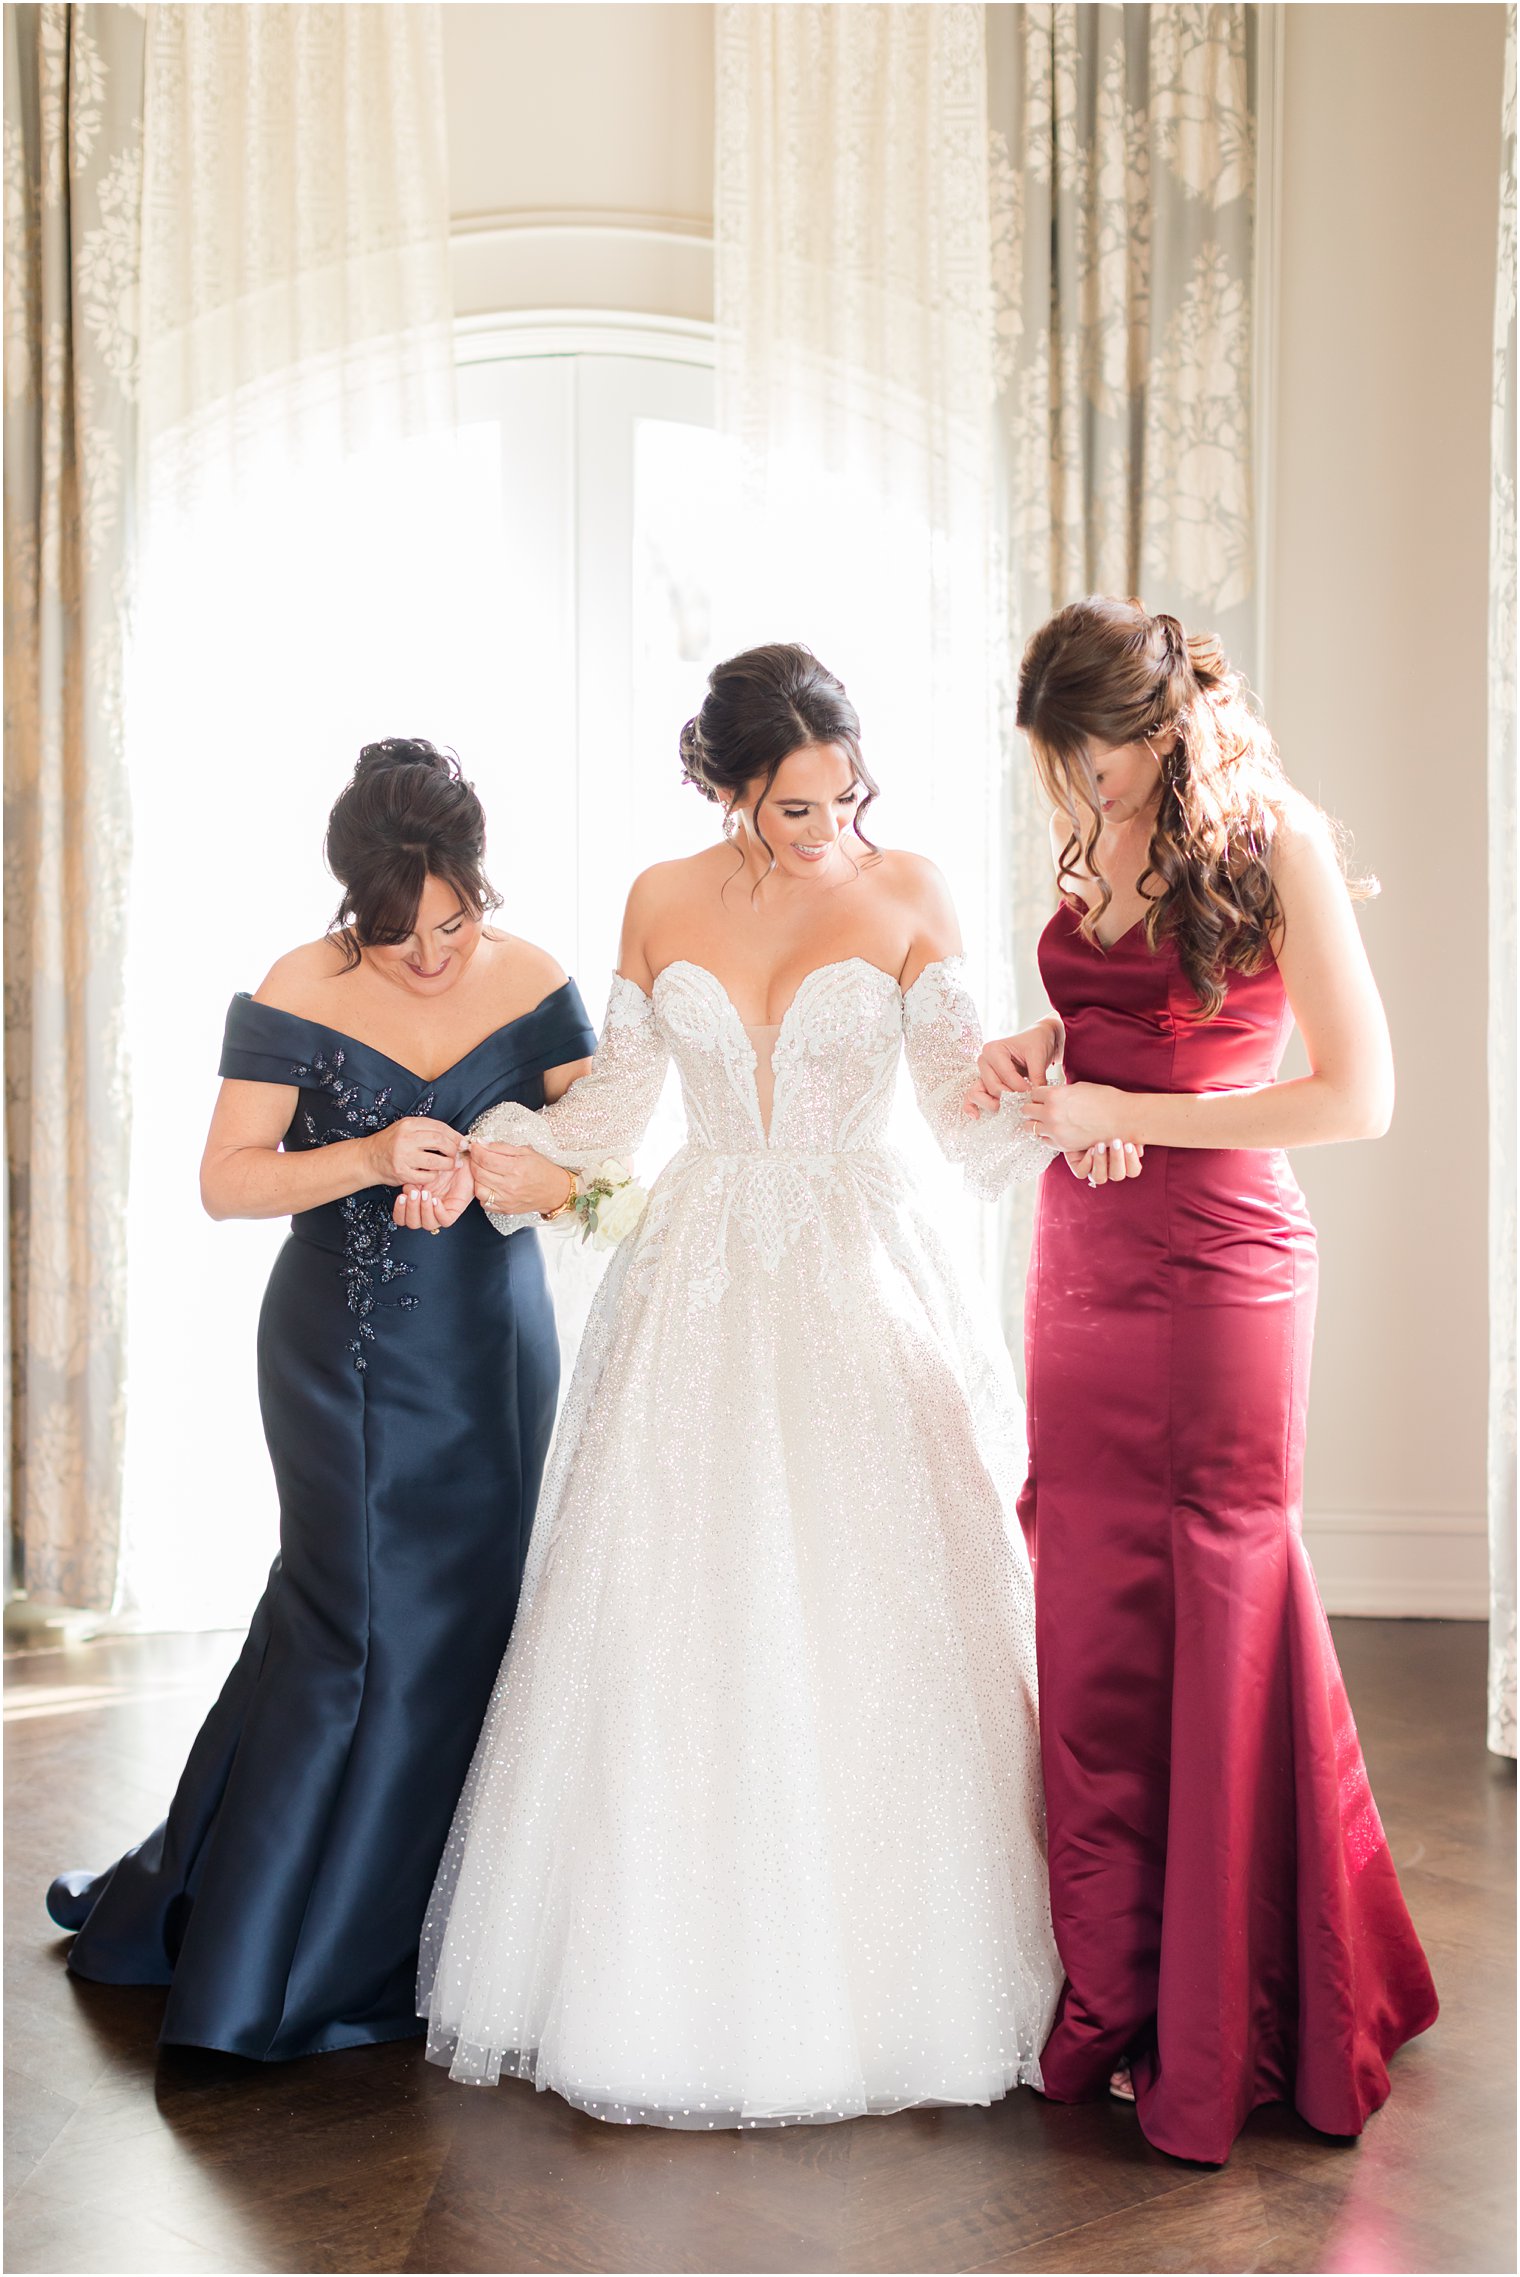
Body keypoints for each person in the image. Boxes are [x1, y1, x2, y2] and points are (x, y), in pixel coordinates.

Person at [409, 644, 1140, 2126]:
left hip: (852, 1267)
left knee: (875, 1604)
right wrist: (509, 1159)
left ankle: (892, 1976)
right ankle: (663, 1982)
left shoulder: (907, 888)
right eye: (795, 808)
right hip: (695, 1273)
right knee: (678, 1607)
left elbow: (953, 1110)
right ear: (728, 787)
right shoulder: (659, 897)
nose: (829, 832)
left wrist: (1056, 1110)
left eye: (845, 797)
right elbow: (616, 1103)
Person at [971, 597, 1438, 2164]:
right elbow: (1129, 1024)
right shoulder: (1094, 832)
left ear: (1164, 725)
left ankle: (1246, 2012)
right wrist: (1041, 1057)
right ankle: (1115, 1997)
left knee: (1225, 1603)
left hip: (1225, 1269)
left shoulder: (1277, 838)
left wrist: (1133, 1111)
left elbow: (1355, 1092)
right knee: (1094, 1615)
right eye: (1063, 772)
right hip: (1083, 1269)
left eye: (1096, 766)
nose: (1080, 799)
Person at [47, 741, 596, 2060]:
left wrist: (527, 1170)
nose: (432, 956)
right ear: (354, 907)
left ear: (479, 884)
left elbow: (604, 1163)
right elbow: (224, 1179)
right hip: (342, 1354)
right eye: (398, 932)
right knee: (354, 1626)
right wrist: (361, 1154)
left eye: (452, 922)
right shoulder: (303, 983)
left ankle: (423, 1939)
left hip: (494, 1350)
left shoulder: (534, 978)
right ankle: (274, 1963)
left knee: (469, 1628)